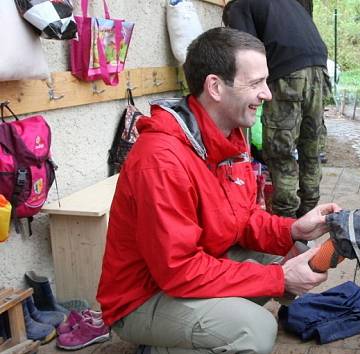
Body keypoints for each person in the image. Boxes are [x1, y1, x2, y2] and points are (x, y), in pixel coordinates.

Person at [96, 27, 340, 354]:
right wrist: (278, 279)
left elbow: (244, 218)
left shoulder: (230, 137)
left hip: (193, 267)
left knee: (288, 249)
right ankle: (160, 345)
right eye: (255, 83)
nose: (267, 94)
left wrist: (293, 228)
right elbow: (179, 271)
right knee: (255, 330)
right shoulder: (161, 161)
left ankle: (182, 339)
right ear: (215, 87)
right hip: (143, 297)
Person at [223, 0, 331, 218]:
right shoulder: (287, 4)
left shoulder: (238, 6)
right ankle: (309, 214)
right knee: (311, 144)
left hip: (287, 72)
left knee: (280, 149)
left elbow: (244, 51)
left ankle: (285, 220)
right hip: (319, 68)